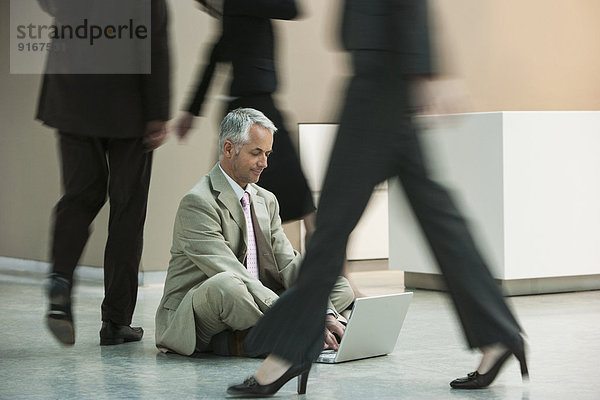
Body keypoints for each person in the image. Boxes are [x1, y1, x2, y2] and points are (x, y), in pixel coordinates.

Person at [227, 0, 528, 396]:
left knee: (333, 228)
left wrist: (427, 70)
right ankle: (498, 334)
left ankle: (287, 352)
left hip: (378, 84)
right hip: (380, 77)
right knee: (436, 218)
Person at [155, 108, 354, 357]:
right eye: (256, 153)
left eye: (268, 153)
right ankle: (288, 332)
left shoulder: (266, 199)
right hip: (208, 304)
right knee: (228, 286)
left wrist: (321, 310)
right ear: (229, 149)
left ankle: (241, 339)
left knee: (337, 286)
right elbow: (233, 272)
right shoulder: (197, 203)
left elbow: (287, 262)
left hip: (253, 300)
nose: (265, 163)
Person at [37, 0, 171, 346]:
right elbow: (154, 37)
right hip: (128, 100)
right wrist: (158, 111)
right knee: (127, 208)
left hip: (71, 91)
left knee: (79, 195)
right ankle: (115, 321)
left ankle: (60, 281)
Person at [174, 0, 317, 237]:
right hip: (249, 109)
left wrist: (192, 111)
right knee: (239, 201)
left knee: (287, 196)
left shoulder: (238, 6)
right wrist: (191, 111)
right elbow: (215, 55)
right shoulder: (234, 13)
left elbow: (290, 9)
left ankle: (329, 271)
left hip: (256, 110)